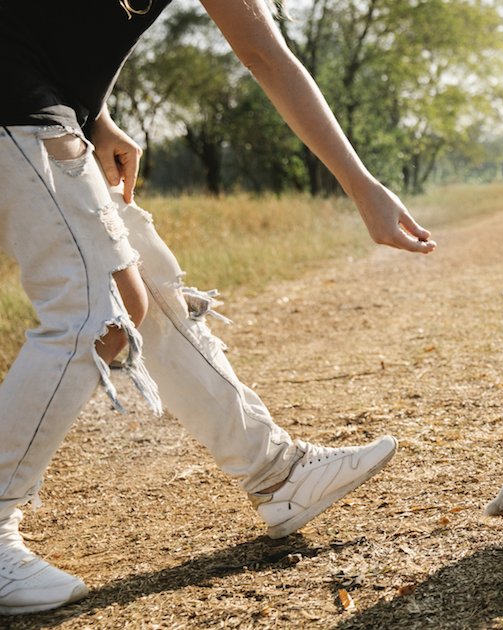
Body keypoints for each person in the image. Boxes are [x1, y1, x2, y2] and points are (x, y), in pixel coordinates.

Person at [0, 0, 437, 615]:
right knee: (99, 304)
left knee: (146, 280)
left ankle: (276, 474)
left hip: (43, 107)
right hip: (15, 104)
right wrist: (362, 186)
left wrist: (97, 116)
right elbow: (265, 56)